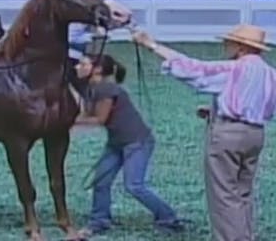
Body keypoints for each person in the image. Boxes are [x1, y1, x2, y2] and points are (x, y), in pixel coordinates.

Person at [132, 24, 276, 241]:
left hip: (227, 134)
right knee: (242, 192)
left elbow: (193, 69)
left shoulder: (234, 69)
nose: (225, 45)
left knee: (224, 195)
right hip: (254, 134)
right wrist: (217, 109)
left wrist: (152, 45)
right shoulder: (270, 74)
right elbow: (261, 106)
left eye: (230, 42)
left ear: (241, 47)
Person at [73, 54, 186, 237]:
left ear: (97, 69)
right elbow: (87, 115)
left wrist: (69, 123)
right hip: (118, 142)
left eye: (82, 64)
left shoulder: (106, 88)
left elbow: (100, 119)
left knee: (134, 185)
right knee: (101, 181)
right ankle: (99, 220)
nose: (77, 67)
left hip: (137, 141)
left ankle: (168, 217)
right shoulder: (92, 88)